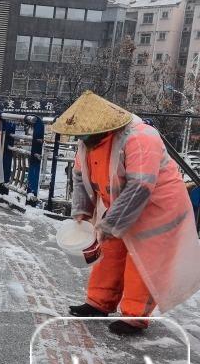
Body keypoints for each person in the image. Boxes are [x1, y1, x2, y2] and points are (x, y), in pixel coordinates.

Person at [52, 91, 200, 335]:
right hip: (120, 204)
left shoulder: (140, 138)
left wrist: (110, 225)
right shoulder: (87, 142)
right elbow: (80, 177)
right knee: (109, 250)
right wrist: (82, 212)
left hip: (157, 209)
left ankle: (135, 316)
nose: (82, 138)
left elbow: (140, 186)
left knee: (142, 260)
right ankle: (99, 303)